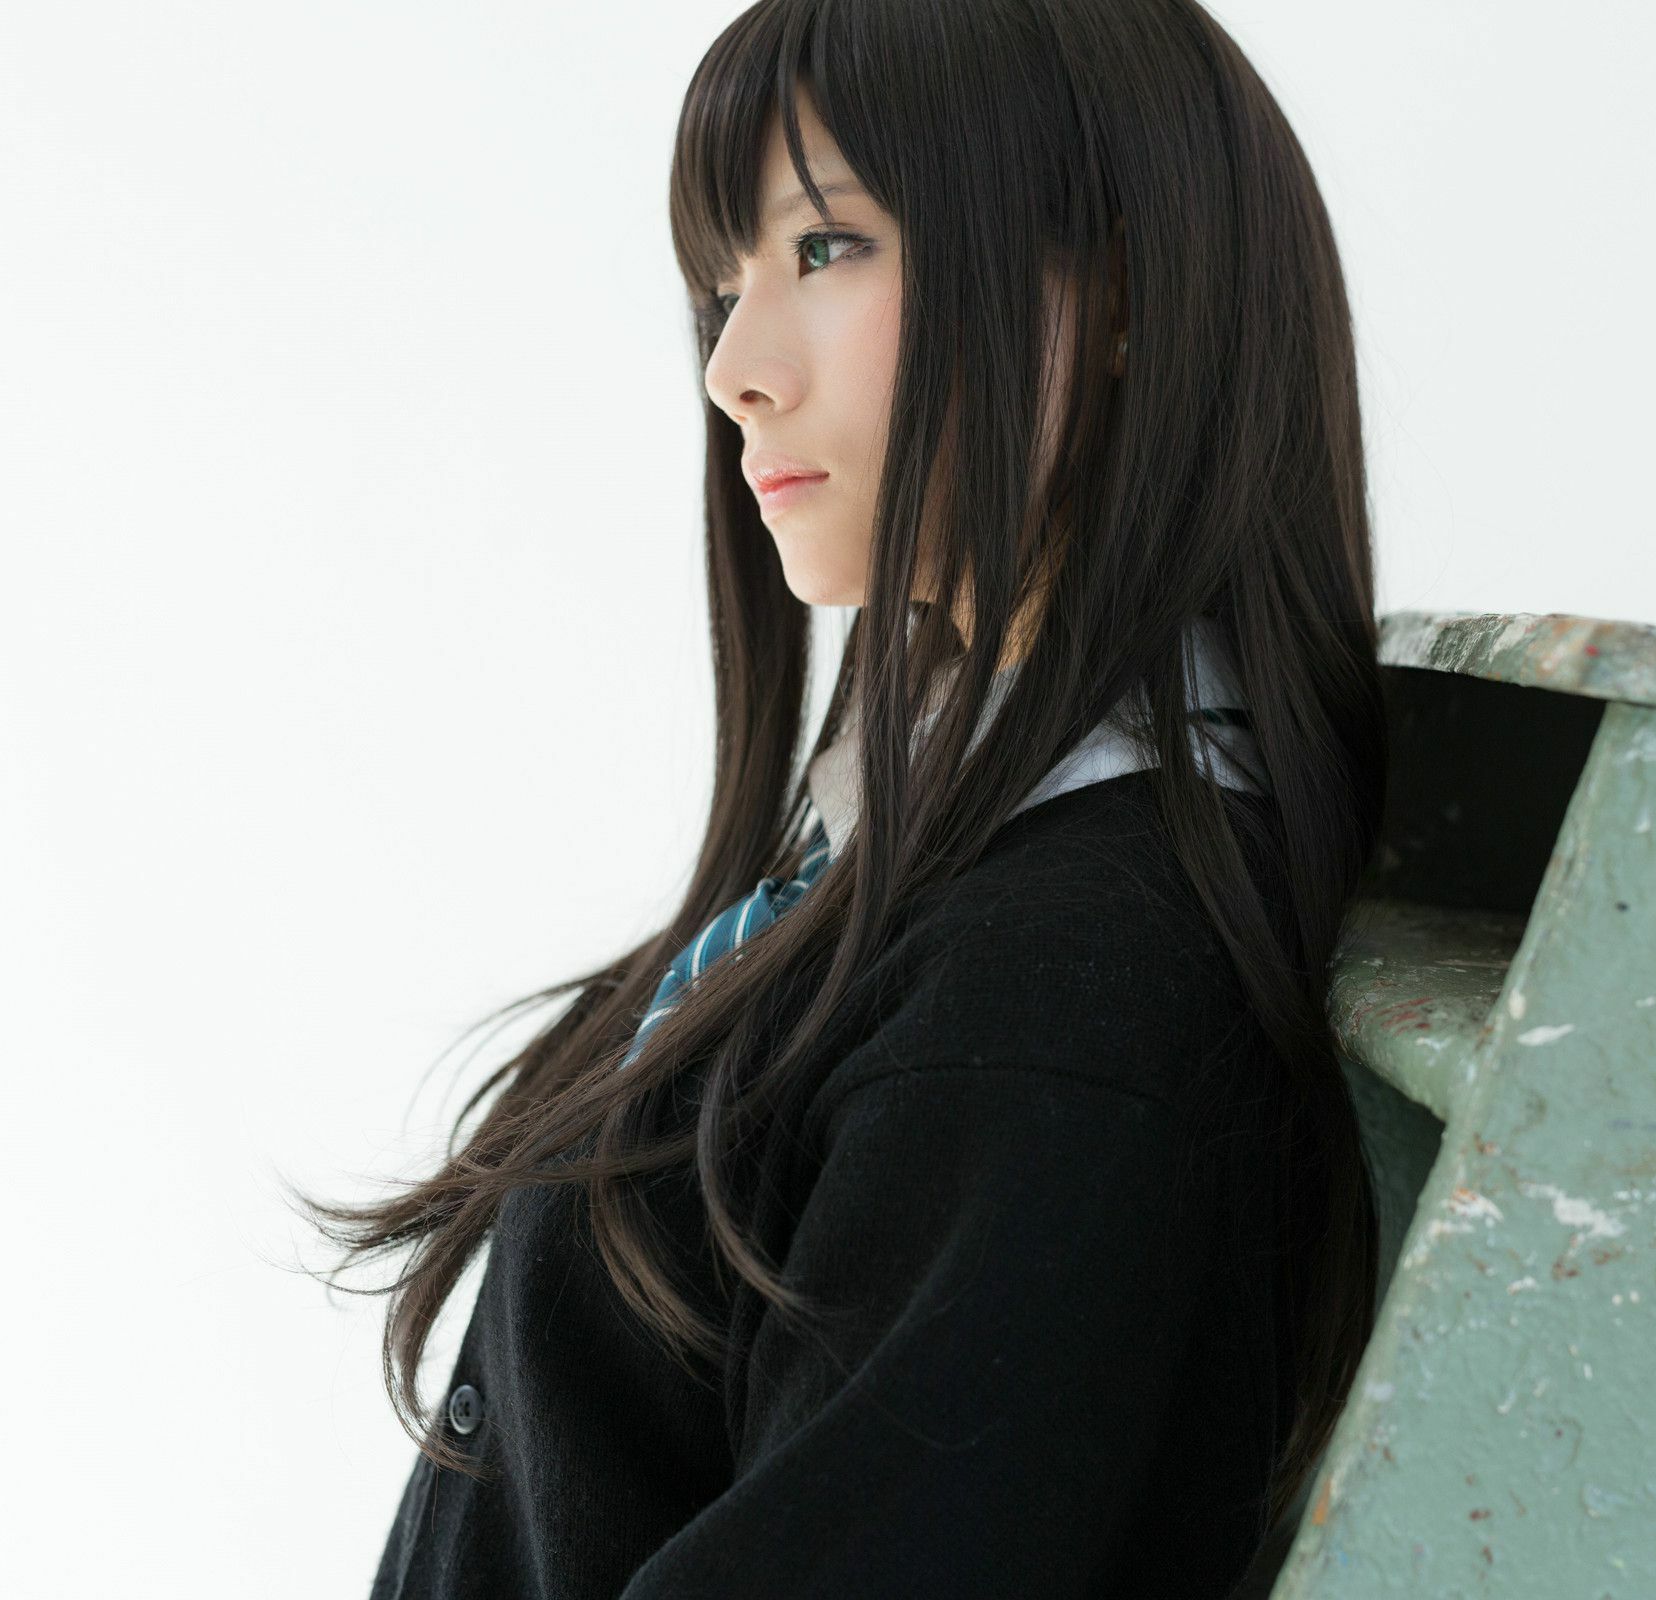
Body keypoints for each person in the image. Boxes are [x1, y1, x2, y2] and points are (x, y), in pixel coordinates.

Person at [298, 0, 1387, 1593]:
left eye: (827, 247)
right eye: (722, 283)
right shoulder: (940, 849)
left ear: (1125, 289)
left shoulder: (1060, 992)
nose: (734, 371)